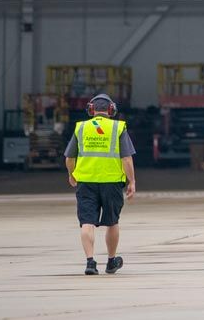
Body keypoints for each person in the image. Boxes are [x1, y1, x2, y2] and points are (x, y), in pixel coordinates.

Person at [64, 93, 136, 276]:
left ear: (91, 110)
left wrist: (72, 175)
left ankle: (90, 262)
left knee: (86, 222)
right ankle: (111, 262)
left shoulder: (81, 128)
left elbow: (69, 157)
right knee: (112, 222)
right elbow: (126, 158)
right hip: (111, 182)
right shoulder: (118, 128)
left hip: (86, 182)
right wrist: (132, 181)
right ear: (111, 110)